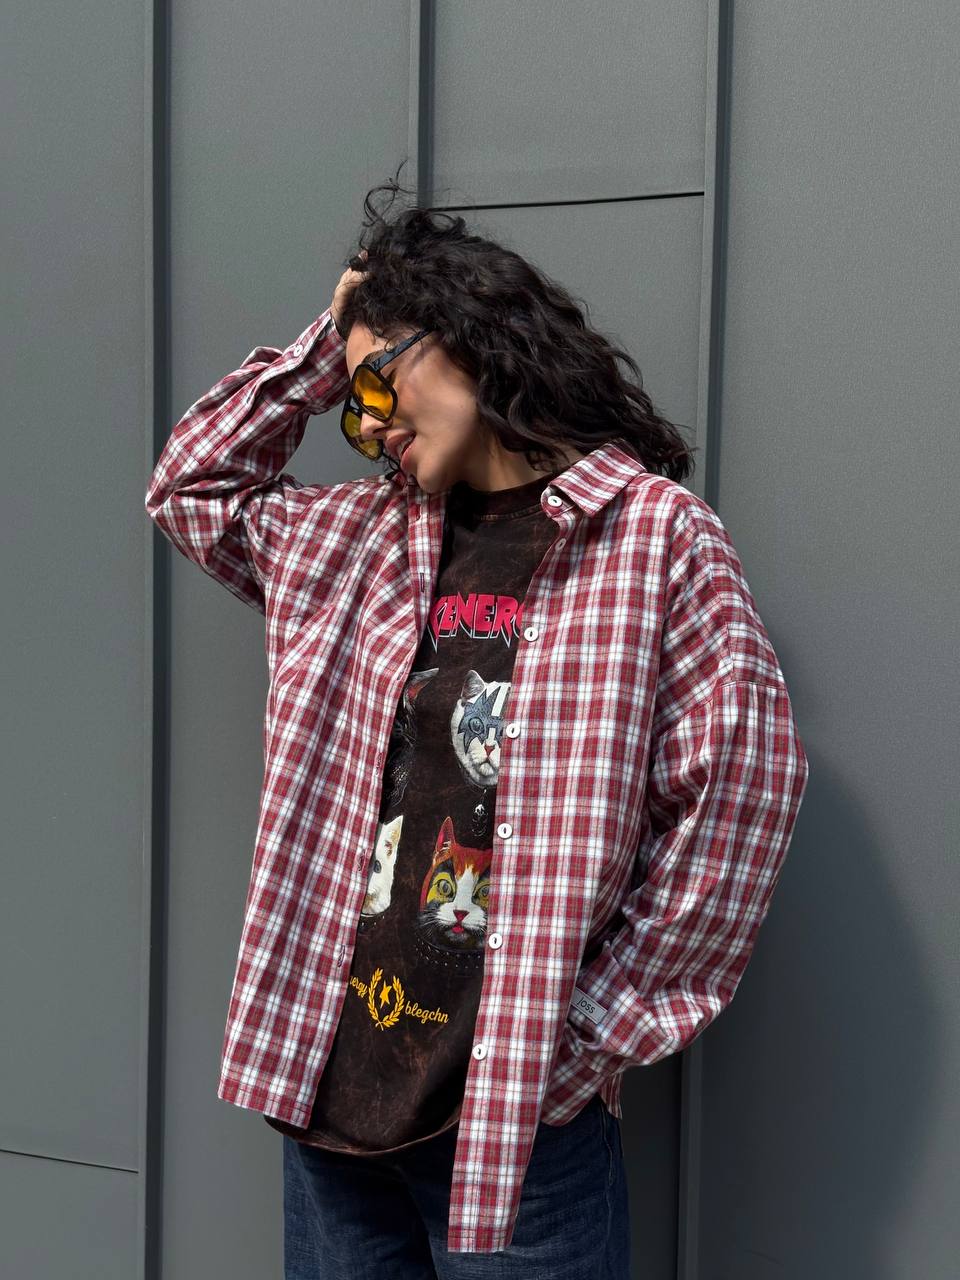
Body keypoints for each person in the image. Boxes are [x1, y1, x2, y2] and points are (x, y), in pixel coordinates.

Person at [145, 169, 810, 1279]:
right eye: (351, 403)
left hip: (513, 1132)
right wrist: (331, 348)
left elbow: (742, 796)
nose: (367, 424)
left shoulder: (651, 539)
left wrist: (584, 1039)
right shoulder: (353, 539)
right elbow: (190, 489)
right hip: (328, 1112)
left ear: (465, 335)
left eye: (378, 384)